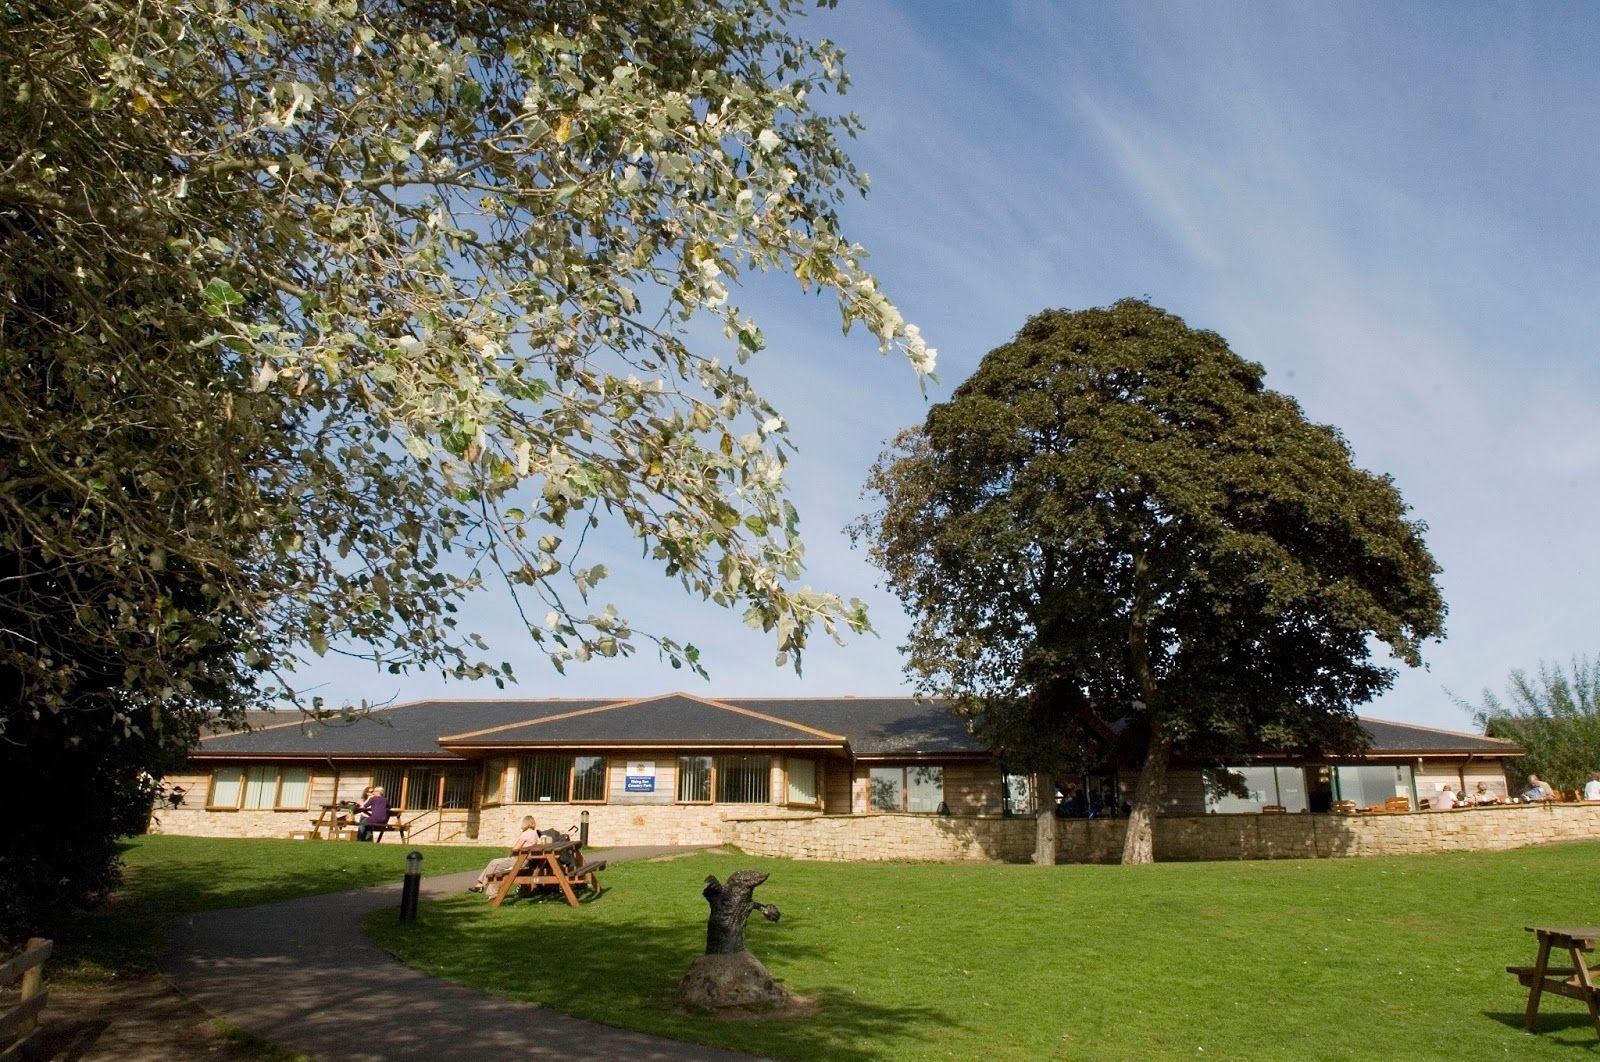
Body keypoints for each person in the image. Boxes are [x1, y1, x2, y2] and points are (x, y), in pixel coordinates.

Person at [469, 816, 542, 893]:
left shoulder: (526, 834)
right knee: (496, 871)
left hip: (519, 861)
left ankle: (481, 884)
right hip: (526, 861)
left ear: (525, 823)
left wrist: (509, 855)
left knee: (494, 862)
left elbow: (515, 848)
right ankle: (490, 892)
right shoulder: (535, 834)